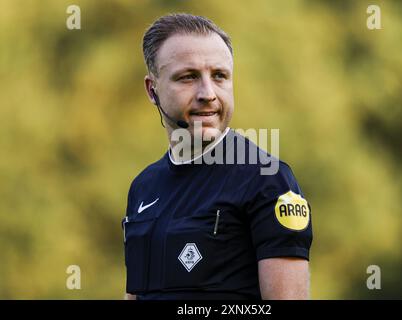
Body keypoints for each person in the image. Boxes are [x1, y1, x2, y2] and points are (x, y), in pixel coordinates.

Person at [122, 13, 313, 300]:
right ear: (153, 90)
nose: (208, 93)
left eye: (219, 76)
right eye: (188, 77)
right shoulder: (143, 187)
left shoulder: (267, 179)